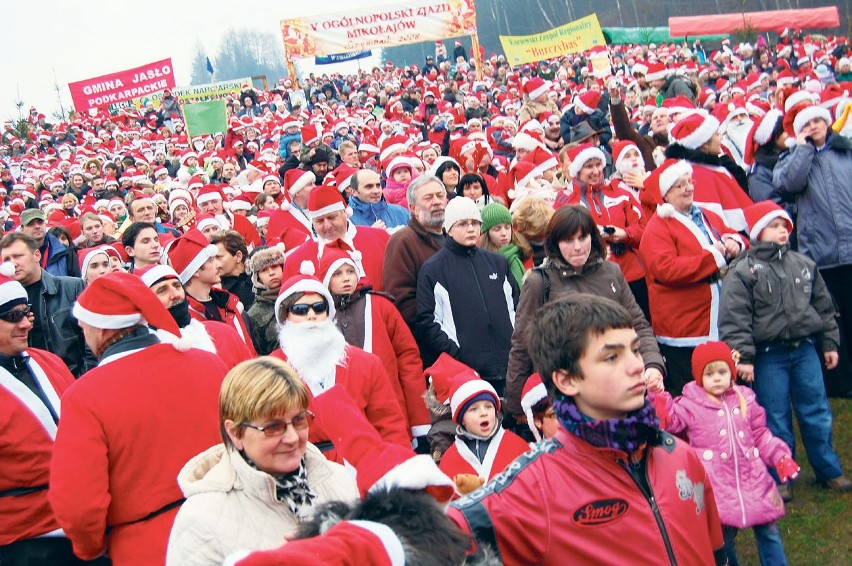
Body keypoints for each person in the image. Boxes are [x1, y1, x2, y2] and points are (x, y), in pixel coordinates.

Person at [447, 294, 726, 564]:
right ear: (567, 381)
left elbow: (716, 554)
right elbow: (437, 542)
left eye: (636, 350)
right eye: (611, 357)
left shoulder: (680, 456)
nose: (636, 366)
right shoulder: (536, 487)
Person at [48, 273, 230, 565]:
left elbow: (78, 503)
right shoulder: (208, 363)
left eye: (83, 328)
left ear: (99, 329)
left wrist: (91, 548)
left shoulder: (84, 396)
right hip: (230, 528)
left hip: (150, 547)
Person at [166, 357, 358, 566]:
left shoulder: (338, 480)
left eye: (299, 420)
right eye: (273, 427)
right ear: (234, 433)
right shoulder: (201, 520)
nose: (292, 437)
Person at [719, 201, 851, 495]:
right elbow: (735, 319)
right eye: (774, 226)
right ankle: (780, 476)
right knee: (774, 417)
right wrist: (744, 358)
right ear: (758, 231)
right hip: (768, 356)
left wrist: (829, 342)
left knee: (816, 409)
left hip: (805, 350)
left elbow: (824, 306)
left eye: (785, 226)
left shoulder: (803, 264)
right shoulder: (743, 271)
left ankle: (828, 469)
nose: (782, 231)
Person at [505, 206, 664, 418]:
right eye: (568, 240)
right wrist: (517, 409)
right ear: (555, 243)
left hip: (616, 391)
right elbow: (522, 346)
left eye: (583, 237)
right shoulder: (540, 282)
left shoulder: (611, 273)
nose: (578, 247)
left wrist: (653, 364)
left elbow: (638, 325)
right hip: (565, 399)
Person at [648, 341, 797, 566]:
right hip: (717, 488)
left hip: (754, 481)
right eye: (709, 373)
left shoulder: (746, 399)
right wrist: (659, 395)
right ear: (699, 376)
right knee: (722, 541)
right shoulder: (691, 404)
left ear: (731, 372)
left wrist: (780, 457)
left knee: (769, 532)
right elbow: (670, 420)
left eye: (722, 371)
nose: (716, 378)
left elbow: (762, 436)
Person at [0, 265, 103, 565]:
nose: (25, 324)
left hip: (85, 523)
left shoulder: (48, 361)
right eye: (12, 317)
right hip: (24, 539)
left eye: (27, 312)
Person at [269, 273, 411, 461]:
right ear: (285, 315)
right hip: (303, 468)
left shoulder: (366, 364)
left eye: (319, 308)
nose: (311, 316)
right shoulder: (271, 371)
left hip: (363, 465)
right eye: (300, 309)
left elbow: (391, 428)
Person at [639, 159, 746, 395]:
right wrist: (713, 257)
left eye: (689, 182)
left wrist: (734, 242)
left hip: (717, 317)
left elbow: (731, 233)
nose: (688, 188)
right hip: (684, 326)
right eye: (679, 185)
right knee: (691, 390)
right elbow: (666, 269)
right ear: (666, 194)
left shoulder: (705, 213)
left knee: (725, 382)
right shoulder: (659, 226)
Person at [773, 102, 852, 395]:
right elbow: (788, 184)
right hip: (821, 255)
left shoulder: (845, 150)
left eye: (818, 120)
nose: (814, 126)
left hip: (850, 248)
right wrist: (804, 149)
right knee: (832, 321)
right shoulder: (791, 158)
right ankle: (840, 382)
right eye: (807, 124)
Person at [319, 247, 430, 441]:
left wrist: (419, 420)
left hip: (391, 408)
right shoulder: (320, 316)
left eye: (350, 271)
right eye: (337, 274)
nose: (346, 278)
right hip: (345, 416)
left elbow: (408, 359)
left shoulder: (381, 307)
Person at [416, 196, 519, 394]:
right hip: (467, 371)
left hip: (508, 366)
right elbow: (427, 322)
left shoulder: (497, 263)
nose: (470, 228)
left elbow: (516, 308)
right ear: (449, 228)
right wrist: (459, 354)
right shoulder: (434, 269)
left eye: (474, 223)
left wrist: (514, 346)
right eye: (462, 224)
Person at [0, 233, 93, 377]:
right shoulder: (6, 303)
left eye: (18, 256)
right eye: (7, 259)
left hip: (78, 379)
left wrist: (83, 379)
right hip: (38, 386)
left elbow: (93, 339)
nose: (12, 263)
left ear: (36, 255)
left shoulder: (72, 287)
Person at [432, 362, 529, 497]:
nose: (483, 413)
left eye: (488, 407)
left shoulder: (517, 446)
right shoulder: (450, 458)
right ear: (461, 419)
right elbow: (446, 502)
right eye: (474, 409)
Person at [137, 263, 253, 370]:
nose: (175, 294)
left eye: (177, 286)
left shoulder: (223, 333)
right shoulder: (145, 354)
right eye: (162, 291)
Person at [282, 185, 390, 291]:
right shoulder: (296, 260)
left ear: (345, 213)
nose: (327, 226)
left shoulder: (380, 239)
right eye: (319, 221)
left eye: (332, 217)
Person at [168, 228, 256, 353]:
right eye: (211, 260)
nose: (218, 265)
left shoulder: (229, 304)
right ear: (196, 270)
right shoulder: (186, 318)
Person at [382, 173, 448, 330]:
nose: (436, 202)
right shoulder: (402, 241)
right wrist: (437, 334)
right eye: (428, 198)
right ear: (413, 208)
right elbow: (402, 300)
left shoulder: (452, 238)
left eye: (440, 196)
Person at [245, 245, 287, 356]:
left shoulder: (298, 297)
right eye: (264, 270)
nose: (271, 273)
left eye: (274, 266)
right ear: (257, 278)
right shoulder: (254, 314)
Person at [478, 201, 531, 288]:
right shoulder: (482, 261)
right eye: (497, 229)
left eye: (507, 227)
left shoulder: (523, 252)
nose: (504, 233)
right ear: (487, 233)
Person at [18, 209, 80, 277]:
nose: (37, 226)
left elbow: (76, 284)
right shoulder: (16, 255)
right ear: (22, 230)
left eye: (40, 222)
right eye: (31, 224)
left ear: (45, 224)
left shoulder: (65, 252)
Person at [212, 230, 255, 310]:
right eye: (212, 259)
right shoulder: (218, 294)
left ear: (238, 256)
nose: (214, 263)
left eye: (218, 257)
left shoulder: (260, 278)